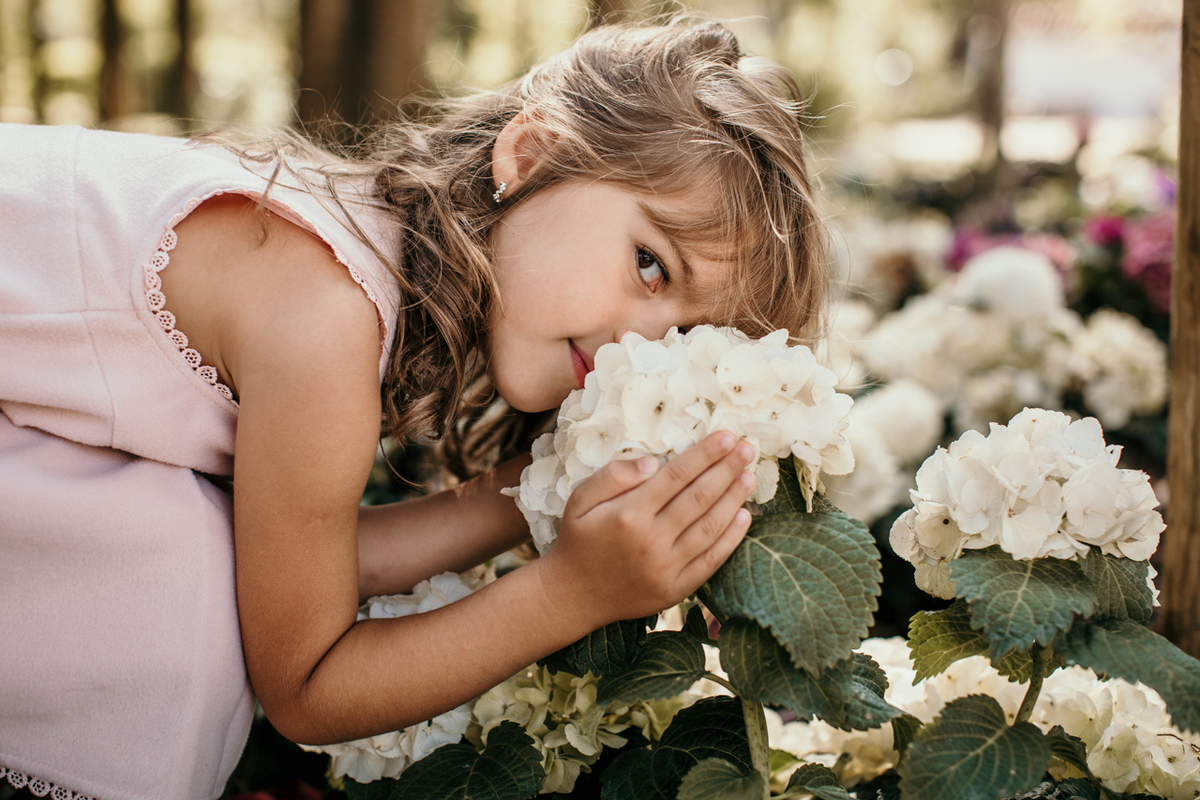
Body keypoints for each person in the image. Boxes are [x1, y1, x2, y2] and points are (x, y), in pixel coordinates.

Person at [0, 18, 831, 800]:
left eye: (684, 335)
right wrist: (574, 592)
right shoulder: (325, 316)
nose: (638, 349)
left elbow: (326, 566)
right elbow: (308, 685)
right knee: (176, 585)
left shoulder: (358, 255)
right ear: (531, 154)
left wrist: (541, 483)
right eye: (651, 265)